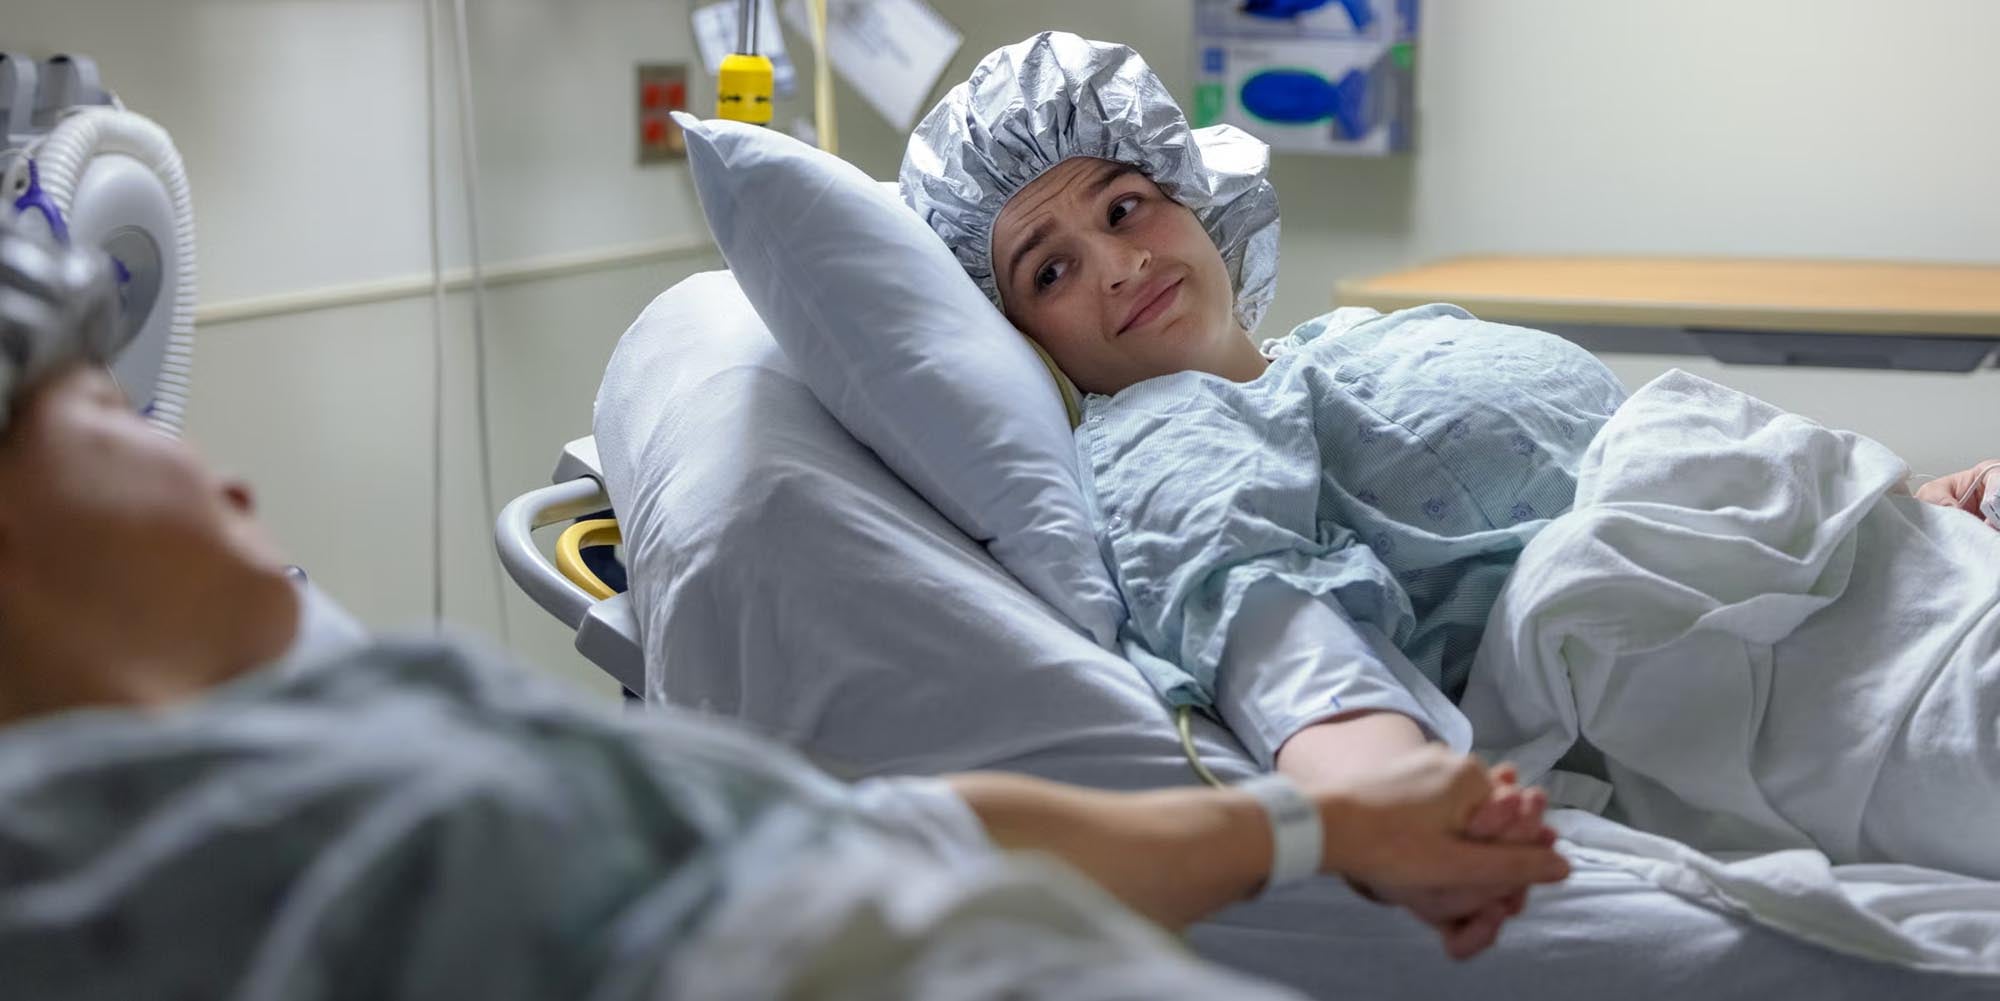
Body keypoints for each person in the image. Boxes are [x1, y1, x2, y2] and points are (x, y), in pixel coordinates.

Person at [0, 326, 1567, 998]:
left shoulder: (385, 723)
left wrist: (1326, 832)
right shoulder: (100, 885)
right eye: (106, 412)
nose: (204, 457)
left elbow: (901, 835)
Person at [900, 31, 2000, 882]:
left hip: (1881, 569)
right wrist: (1379, 796)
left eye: (1126, 204)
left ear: (1190, 195)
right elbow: (1257, 618)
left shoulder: (1346, 342)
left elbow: (1601, 446)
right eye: (1048, 271)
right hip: (1785, 683)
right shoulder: (1166, 432)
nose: (1118, 259)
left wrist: (1906, 502)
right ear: (1021, 340)